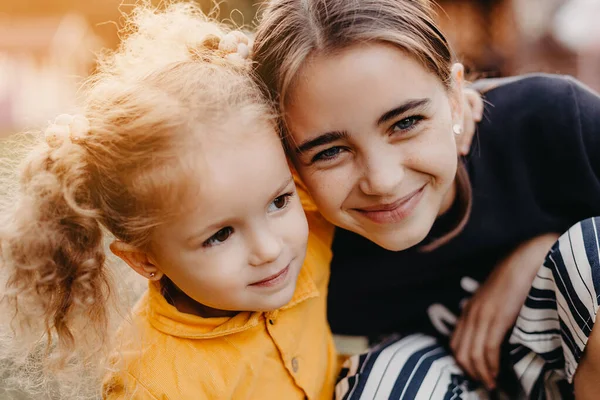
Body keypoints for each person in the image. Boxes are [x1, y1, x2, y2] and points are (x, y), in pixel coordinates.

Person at [252, 0, 600, 398]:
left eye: (406, 123)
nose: (383, 181)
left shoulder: (551, 124)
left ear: (455, 97)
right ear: (290, 165)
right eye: (330, 152)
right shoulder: (298, 250)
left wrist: (541, 251)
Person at [0, 4, 338, 399]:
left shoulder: (306, 230)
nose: (269, 248)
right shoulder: (155, 382)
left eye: (278, 201)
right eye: (221, 235)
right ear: (144, 260)